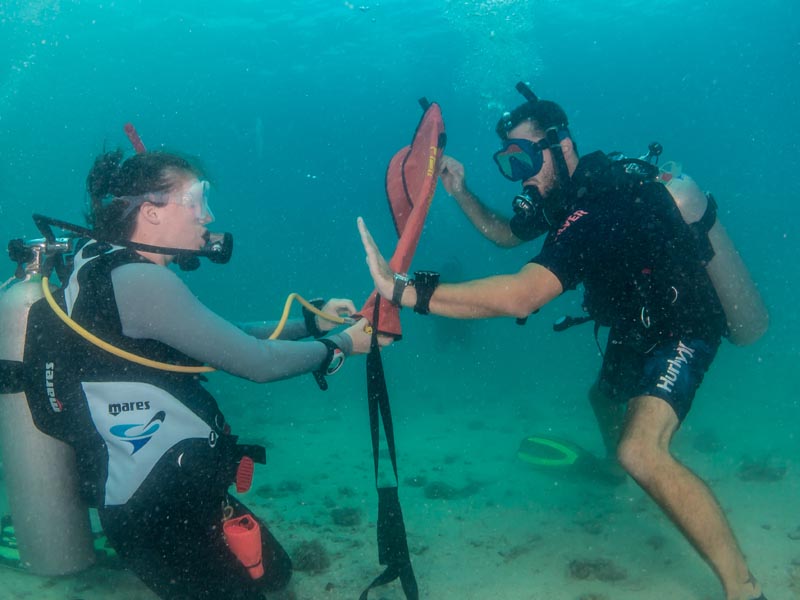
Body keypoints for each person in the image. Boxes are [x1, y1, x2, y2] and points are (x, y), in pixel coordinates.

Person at [357, 90, 767, 600]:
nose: (522, 175)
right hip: (636, 322)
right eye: (509, 163)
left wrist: (403, 290)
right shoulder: (561, 199)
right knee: (603, 400)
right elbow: (507, 236)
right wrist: (461, 192)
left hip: (683, 324)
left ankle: (744, 587)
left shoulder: (599, 202)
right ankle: (615, 473)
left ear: (563, 146)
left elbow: (523, 296)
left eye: (527, 158)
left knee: (642, 450)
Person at [22, 149, 376, 600]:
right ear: (150, 213)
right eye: (195, 199)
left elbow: (215, 337)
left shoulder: (99, 259)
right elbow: (256, 363)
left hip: (173, 492)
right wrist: (341, 346)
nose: (207, 215)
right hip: (156, 511)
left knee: (277, 574)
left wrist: (311, 323)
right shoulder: (142, 282)